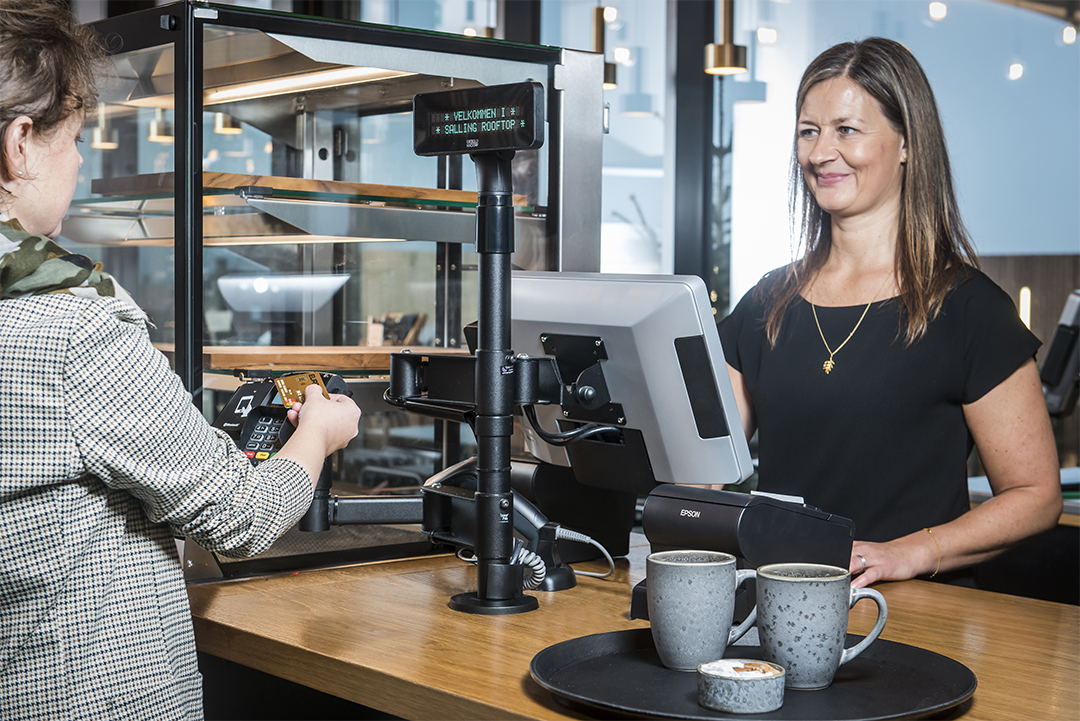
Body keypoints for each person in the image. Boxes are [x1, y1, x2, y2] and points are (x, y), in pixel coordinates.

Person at [0, 2, 361, 718]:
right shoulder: (71, 325)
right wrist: (318, 434)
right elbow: (241, 514)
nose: (81, 161)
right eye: (75, 139)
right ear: (20, 143)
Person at [718, 37, 1062, 590]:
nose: (820, 152)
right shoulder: (767, 303)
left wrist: (908, 553)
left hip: (917, 611)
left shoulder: (968, 308)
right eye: (809, 131)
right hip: (781, 605)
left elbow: (1036, 496)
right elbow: (706, 468)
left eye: (846, 130)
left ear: (906, 144)